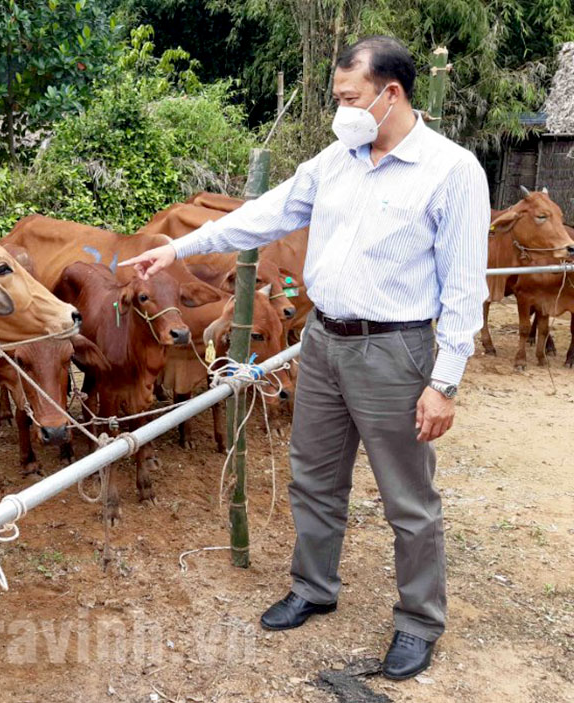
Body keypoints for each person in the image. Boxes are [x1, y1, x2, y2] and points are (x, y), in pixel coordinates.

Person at [120, 35, 489, 680]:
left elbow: (464, 287)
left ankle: (419, 622)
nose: (340, 110)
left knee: (407, 496)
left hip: (395, 349)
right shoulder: (338, 158)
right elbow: (265, 214)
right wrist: (179, 249)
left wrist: (445, 382)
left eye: (349, 97)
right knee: (314, 477)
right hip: (321, 341)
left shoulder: (452, 171)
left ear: (390, 94)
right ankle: (313, 587)